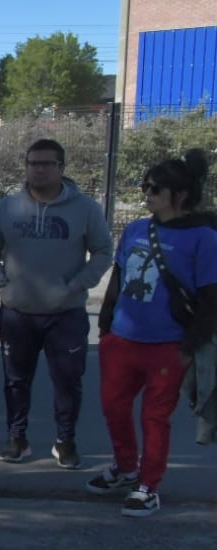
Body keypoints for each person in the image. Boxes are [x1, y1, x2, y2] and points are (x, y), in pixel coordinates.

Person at [89, 150, 216, 516]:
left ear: (180, 195)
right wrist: (106, 325)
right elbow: (118, 276)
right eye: (144, 185)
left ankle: (148, 485)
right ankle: (125, 468)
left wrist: (189, 346)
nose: (147, 192)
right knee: (113, 407)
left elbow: (211, 300)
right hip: (122, 340)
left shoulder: (204, 239)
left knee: (155, 418)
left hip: (168, 347)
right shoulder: (135, 229)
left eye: (155, 188)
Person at [0, 139, 113, 468]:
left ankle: (65, 441)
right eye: (32, 163)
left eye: (46, 164)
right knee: (15, 380)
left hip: (64, 314)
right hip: (17, 312)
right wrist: (0, 284)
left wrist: (77, 285)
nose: (38, 169)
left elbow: (102, 252)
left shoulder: (85, 208)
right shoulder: (9, 207)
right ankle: (17, 438)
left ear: (61, 168)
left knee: (68, 381)